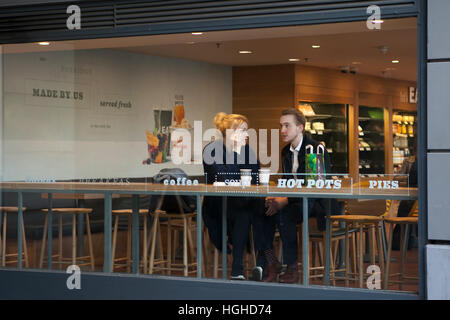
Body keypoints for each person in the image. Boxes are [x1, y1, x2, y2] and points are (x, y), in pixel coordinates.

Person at [261, 108, 332, 284]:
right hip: (295, 202)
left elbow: (315, 186)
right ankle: (272, 261)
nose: (282, 130)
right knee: (262, 211)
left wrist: (284, 201)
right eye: (281, 126)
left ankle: (292, 266)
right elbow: (287, 183)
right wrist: (275, 199)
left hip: (317, 203)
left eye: (287, 125)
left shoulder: (314, 149)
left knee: (286, 214)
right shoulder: (286, 151)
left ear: (300, 127)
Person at [202, 112, 264, 280]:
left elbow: (256, 177)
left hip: (243, 201)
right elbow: (221, 178)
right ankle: (241, 266)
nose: (246, 135)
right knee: (244, 213)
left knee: (263, 210)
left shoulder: (247, 150)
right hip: (218, 205)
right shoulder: (211, 150)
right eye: (243, 131)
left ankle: (263, 262)